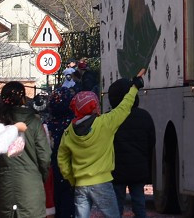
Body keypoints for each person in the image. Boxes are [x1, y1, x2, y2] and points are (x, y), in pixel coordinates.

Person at [57, 69, 145, 218]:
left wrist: (72, 179)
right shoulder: (105, 123)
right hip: (103, 182)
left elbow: (62, 159)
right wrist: (134, 87)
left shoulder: (68, 132)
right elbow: (124, 107)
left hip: (80, 184)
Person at [0, 82, 51, 218]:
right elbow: (44, 156)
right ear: (23, 98)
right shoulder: (34, 122)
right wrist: (40, 176)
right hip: (31, 188)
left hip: (3, 187)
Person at [108, 78, 155, 218]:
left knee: (116, 205)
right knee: (139, 202)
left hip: (117, 169)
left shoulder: (112, 118)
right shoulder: (144, 116)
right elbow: (151, 141)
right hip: (138, 169)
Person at [44, 89, 75, 218]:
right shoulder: (75, 125)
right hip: (72, 170)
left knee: (55, 201)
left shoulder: (47, 126)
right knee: (69, 205)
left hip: (52, 171)